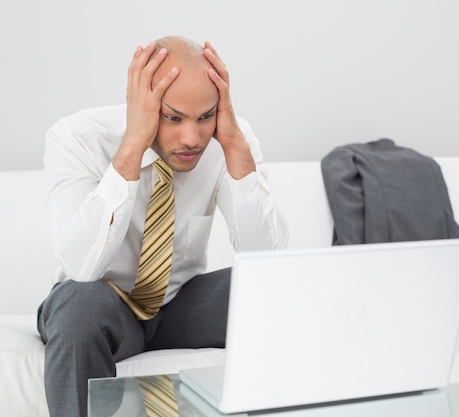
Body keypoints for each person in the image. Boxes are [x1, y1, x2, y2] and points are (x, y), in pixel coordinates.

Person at [37, 35, 289, 417]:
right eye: (173, 118)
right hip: (102, 307)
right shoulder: (77, 138)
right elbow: (80, 268)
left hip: (178, 308)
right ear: (143, 104)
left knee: (279, 290)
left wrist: (236, 147)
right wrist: (132, 147)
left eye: (205, 117)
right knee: (80, 305)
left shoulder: (228, 141)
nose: (192, 138)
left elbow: (268, 260)